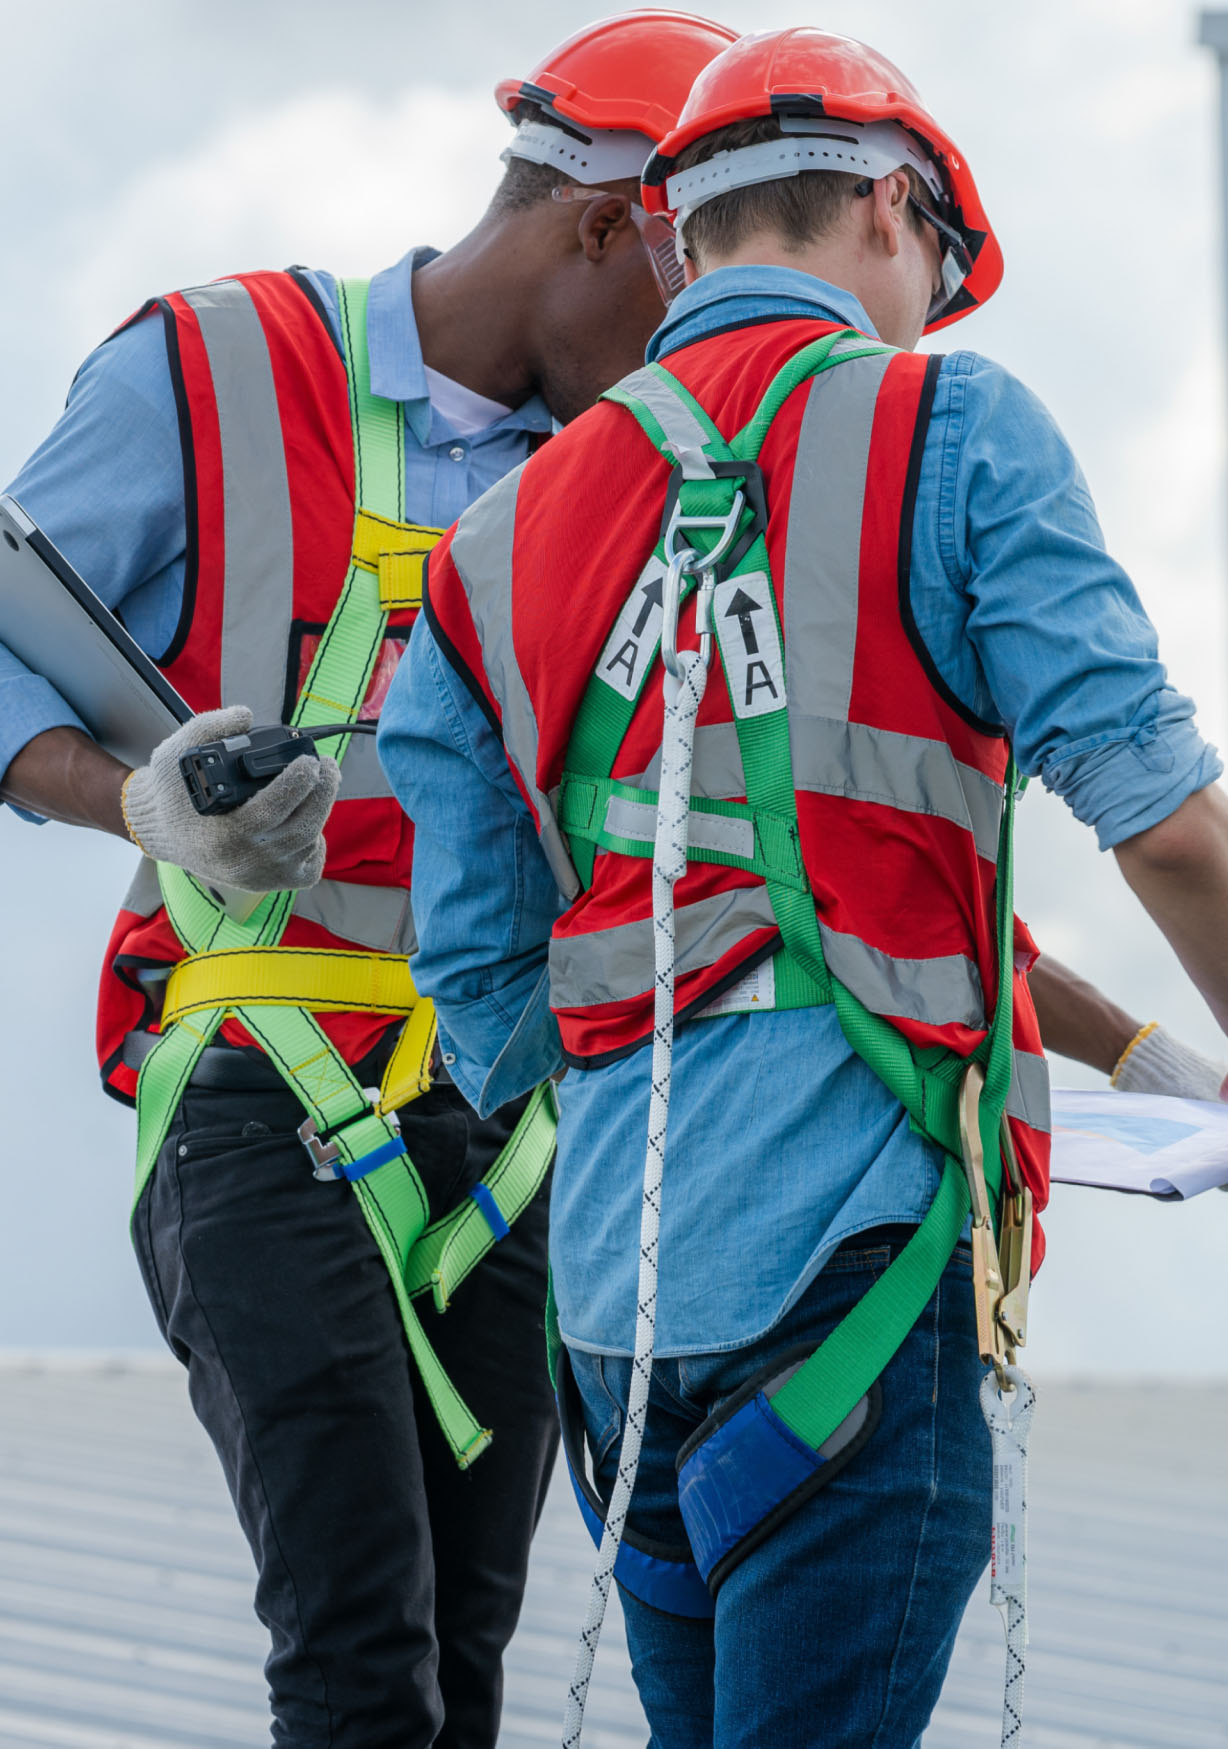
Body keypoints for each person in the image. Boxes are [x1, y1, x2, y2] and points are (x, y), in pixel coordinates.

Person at [379, 26, 1228, 1746]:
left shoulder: (493, 544)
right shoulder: (952, 422)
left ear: (681, 238)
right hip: (854, 1274)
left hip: (620, 1332)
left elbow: (480, 979)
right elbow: (1167, 822)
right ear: (896, 213)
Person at [0, 13, 740, 1747]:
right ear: (608, 224)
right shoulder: (212, 366)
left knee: (456, 1663)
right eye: (681, 299)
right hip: (259, 1092)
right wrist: (141, 802)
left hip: (511, 1137)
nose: (683, 361)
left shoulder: (630, 484)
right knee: (355, 1651)